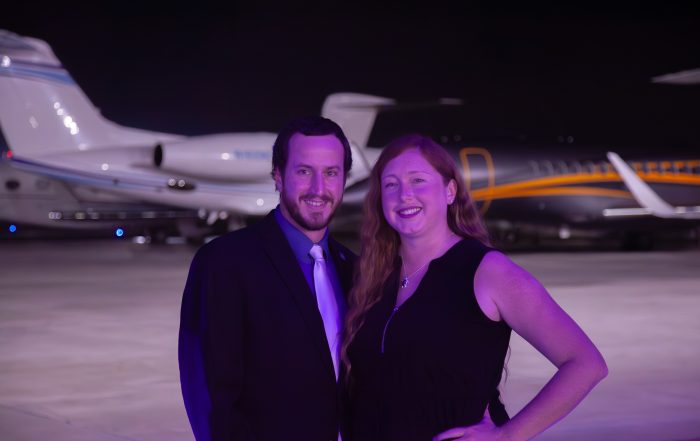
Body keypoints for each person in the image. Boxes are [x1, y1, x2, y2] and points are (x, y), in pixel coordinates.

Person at [341, 134, 608, 441]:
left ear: (450, 191)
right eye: (391, 185)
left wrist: (506, 435)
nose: (405, 195)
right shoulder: (373, 275)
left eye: (418, 180)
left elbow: (586, 363)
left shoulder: (487, 272)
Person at [178, 116, 356, 441]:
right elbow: (209, 394)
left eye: (331, 173)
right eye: (304, 171)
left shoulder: (353, 268)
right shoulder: (224, 262)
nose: (319, 188)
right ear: (278, 175)